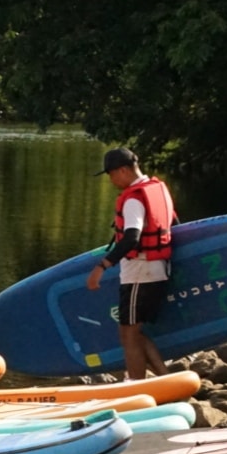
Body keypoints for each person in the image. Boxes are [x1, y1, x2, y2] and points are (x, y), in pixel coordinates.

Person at [85, 147, 177, 380]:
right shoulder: (158, 189)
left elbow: (132, 238)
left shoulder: (134, 199)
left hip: (140, 272)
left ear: (124, 170)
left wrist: (101, 267)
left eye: (111, 174)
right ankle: (166, 381)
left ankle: (136, 386)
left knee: (128, 334)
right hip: (157, 269)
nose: (111, 179)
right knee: (134, 332)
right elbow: (174, 223)